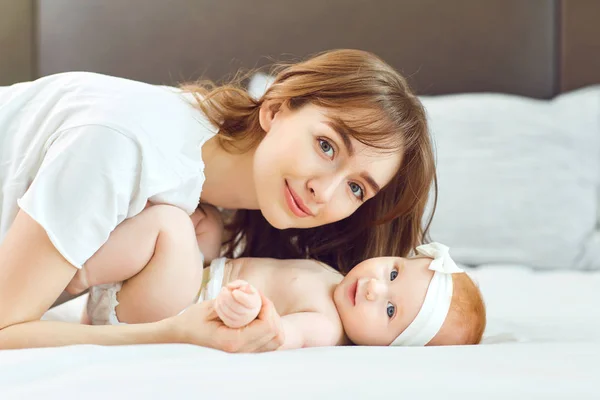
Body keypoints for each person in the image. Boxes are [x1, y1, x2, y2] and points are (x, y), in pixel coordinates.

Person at [0, 49, 436, 350]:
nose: (323, 192)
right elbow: (5, 331)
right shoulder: (122, 148)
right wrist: (173, 333)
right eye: (326, 145)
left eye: (356, 188)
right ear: (275, 108)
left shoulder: (227, 212)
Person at [75, 204, 485, 348]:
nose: (376, 287)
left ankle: (72, 277)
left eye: (391, 310)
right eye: (393, 272)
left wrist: (250, 311)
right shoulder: (335, 278)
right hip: (184, 283)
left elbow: (276, 334)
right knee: (207, 222)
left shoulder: (324, 326)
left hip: (173, 308)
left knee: (171, 225)